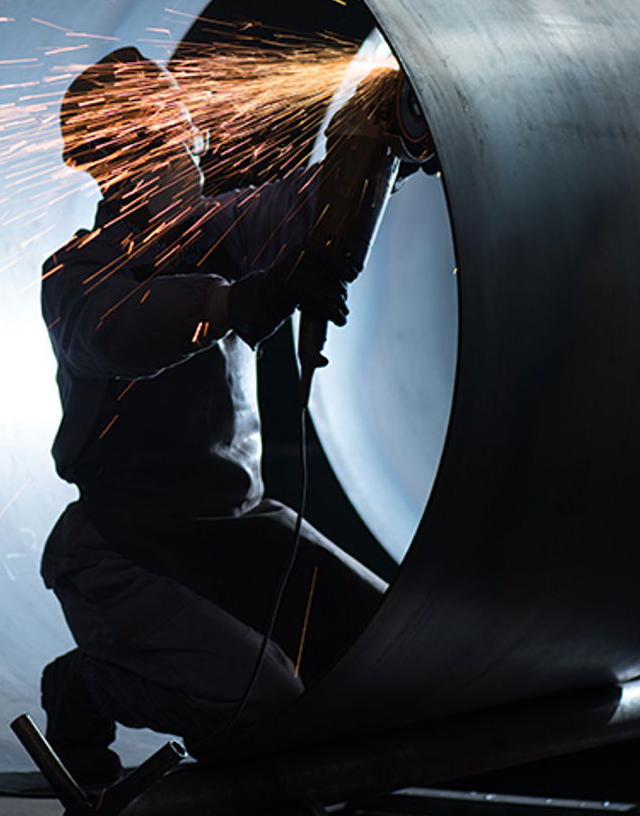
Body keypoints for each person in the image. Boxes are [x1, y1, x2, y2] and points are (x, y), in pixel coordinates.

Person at [38, 46, 388, 780]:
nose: (181, 146)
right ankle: (90, 684)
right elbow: (122, 330)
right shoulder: (77, 273)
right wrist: (232, 301)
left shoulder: (219, 228)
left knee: (386, 649)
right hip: (124, 546)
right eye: (155, 134)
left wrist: (379, 136)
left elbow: (306, 209)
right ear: (104, 159)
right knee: (260, 700)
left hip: (237, 525)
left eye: (176, 127)